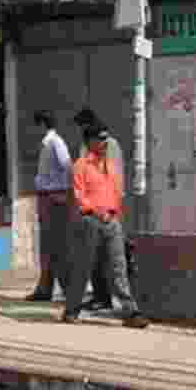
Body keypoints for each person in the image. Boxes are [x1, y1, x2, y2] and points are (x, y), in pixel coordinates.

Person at [62, 125, 144, 326]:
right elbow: (80, 197)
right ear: (89, 142)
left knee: (119, 268)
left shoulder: (110, 166)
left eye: (106, 139)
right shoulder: (80, 166)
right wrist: (100, 213)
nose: (105, 143)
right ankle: (71, 310)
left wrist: (113, 213)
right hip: (90, 222)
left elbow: (116, 194)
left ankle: (131, 313)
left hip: (112, 222)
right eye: (100, 139)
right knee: (83, 268)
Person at [72, 108, 124, 310]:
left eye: (83, 127)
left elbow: (114, 179)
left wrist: (112, 209)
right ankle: (100, 295)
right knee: (93, 258)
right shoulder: (89, 147)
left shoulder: (108, 146)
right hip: (92, 210)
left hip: (107, 209)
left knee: (109, 259)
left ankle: (105, 297)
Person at [27, 110, 72, 302]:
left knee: (55, 244)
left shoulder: (55, 142)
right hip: (47, 196)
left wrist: (62, 193)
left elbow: (68, 166)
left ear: (42, 125)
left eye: (34, 126)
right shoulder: (48, 143)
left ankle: (65, 289)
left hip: (54, 197)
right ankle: (45, 287)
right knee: (46, 244)